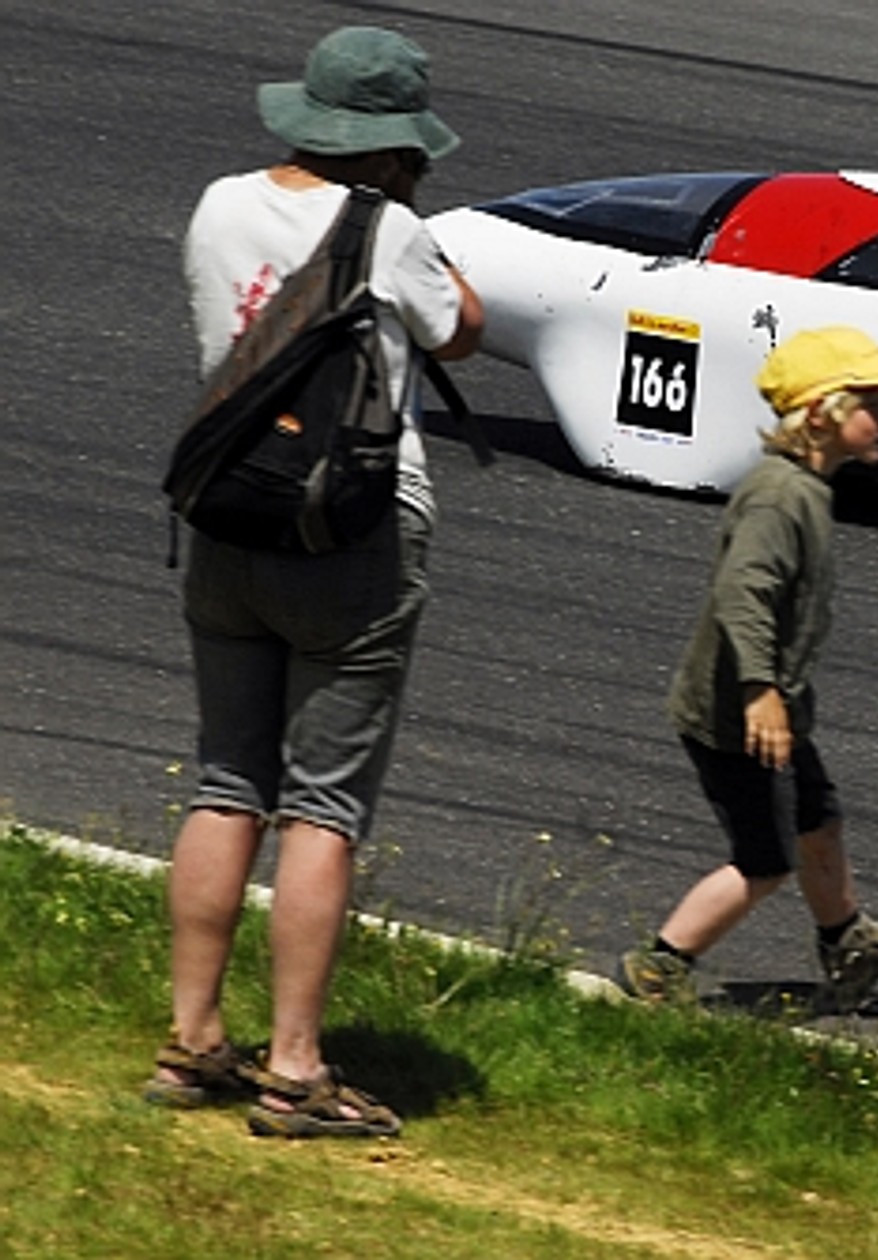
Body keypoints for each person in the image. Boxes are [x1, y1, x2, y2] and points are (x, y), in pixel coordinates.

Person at [145, 26, 482, 1139]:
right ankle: (294, 1066)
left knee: (225, 779)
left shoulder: (216, 202)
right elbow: (460, 332)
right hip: (351, 538)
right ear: (389, 148)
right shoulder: (391, 231)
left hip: (229, 515)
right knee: (323, 808)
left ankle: (191, 1041)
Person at [620, 326, 878, 1011]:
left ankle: (848, 945)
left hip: (774, 709)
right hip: (737, 716)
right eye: (876, 404)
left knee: (817, 821)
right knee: (764, 859)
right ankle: (657, 968)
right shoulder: (781, 496)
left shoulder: (806, 487)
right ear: (824, 413)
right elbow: (744, 594)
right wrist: (760, 692)